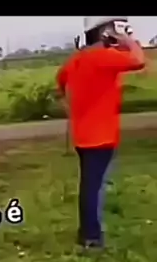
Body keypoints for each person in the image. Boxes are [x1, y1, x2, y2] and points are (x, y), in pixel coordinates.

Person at [56, 17, 145, 249]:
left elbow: (61, 79)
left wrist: (66, 102)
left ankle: (86, 232)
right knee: (94, 188)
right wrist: (128, 40)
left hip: (82, 135)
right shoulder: (103, 57)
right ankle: (91, 237)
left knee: (89, 184)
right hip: (101, 136)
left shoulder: (77, 59)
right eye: (116, 27)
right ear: (105, 32)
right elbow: (138, 60)